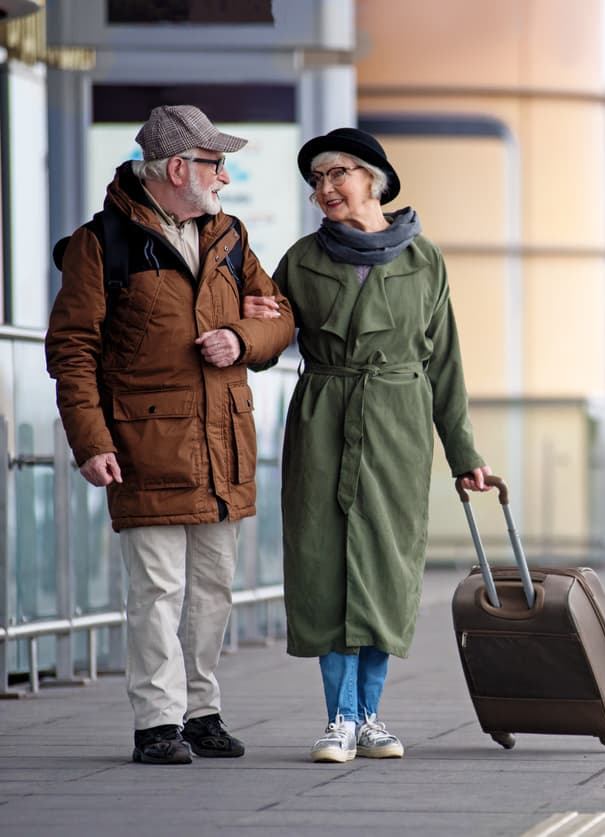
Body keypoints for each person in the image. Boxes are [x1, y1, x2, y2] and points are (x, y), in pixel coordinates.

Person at [45, 105, 295, 765]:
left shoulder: (231, 236)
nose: (227, 176)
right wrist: (91, 440)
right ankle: (159, 721)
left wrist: (242, 334)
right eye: (216, 163)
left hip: (223, 447)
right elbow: (72, 350)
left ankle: (203, 710)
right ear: (179, 168)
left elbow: (282, 321)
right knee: (157, 590)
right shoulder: (101, 245)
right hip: (142, 448)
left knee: (212, 590)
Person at [240, 127, 489, 764]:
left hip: (397, 426)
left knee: (385, 565)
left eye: (338, 175)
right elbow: (269, 342)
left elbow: (446, 365)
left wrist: (465, 458)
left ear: (373, 179)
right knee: (323, 563)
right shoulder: (299, 259)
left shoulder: (424, 260)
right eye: (316, 180)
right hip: (324, 417)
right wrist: (248, 327)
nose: (325, 189)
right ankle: (339, 719)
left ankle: (370, 715)